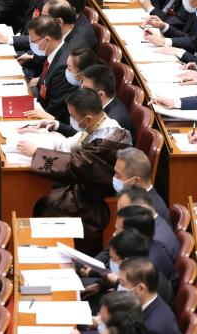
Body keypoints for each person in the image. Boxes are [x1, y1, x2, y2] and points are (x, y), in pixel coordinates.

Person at [20, 88, 132, 252]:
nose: (71, 119)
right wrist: (45, 134)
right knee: (43, 198)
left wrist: (37, 153)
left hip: (97, 205)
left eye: (73, 116)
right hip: (85, 189)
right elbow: (70, 145)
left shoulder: (107, 141)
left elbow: (75, 165)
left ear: (87, 119)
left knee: (45, 206)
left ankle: (46, 255)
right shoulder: (99, 124)